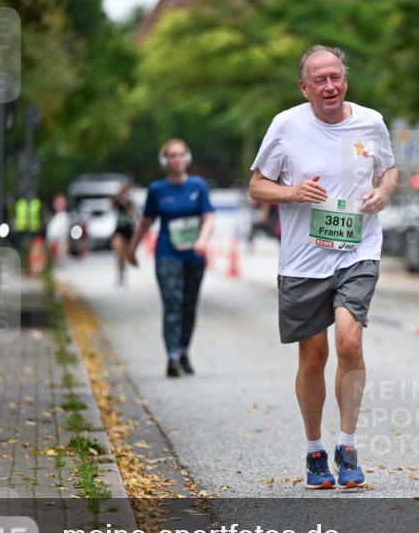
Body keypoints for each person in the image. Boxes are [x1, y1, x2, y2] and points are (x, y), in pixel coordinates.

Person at [248, 45, 397, 489]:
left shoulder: (371, 122)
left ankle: (347, 444)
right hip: (303, 261)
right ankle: (315, 449)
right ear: (305, 87)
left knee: (349, 342)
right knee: (313, 355)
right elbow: (256, 185)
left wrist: (384, 193)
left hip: (358, 250)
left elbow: (389, 171)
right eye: (320, 80)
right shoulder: (286, 126)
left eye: (336, 77)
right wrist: (294, 193)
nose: (329, 86)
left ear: (345, 81)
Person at [127, 139, 215, 378]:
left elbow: (208, 217)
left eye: (179, 155)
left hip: (194, 256)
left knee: (189, 305)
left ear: (187, 158)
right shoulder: (157, 190)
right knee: (172, 304)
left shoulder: (198, 186)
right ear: (164, 161)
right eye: (171, 156)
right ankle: (172, 356)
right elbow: (146, 222)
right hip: (167, 253)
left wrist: (203, 240)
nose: (176, 159)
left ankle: (184, 350)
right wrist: (132, 249)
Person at [111, 183, 136, 286]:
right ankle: (120, 274)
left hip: (129, 231)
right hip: (119, 231)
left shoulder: (130, 203)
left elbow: (133, 216)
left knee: (125, 255)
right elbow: (111, 207)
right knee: (119, 252)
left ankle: (123, 273)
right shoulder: (117, 202)